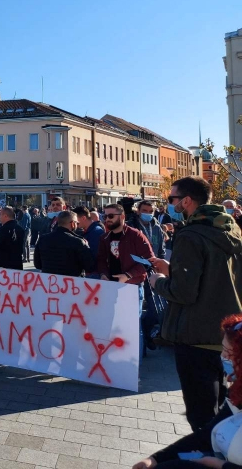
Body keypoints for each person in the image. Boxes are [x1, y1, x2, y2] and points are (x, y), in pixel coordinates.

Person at [148, 177, 242, 431]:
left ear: (187, 201)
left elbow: (183, 292)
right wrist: (173, 269)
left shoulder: (190, 235)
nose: (170, 203)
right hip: (228, 333)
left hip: (196, 333)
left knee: (201, 415)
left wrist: (159, 282)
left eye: (172, 198)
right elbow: (217, 276)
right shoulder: (230, 229)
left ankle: (206, 451)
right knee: (223, 410)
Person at [132, 314, 242, 469]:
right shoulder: (237, 392)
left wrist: (220, 465)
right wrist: (155, 459)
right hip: (216, 457)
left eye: (228, 352)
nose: (222, 356)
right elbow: (206, 434)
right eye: (222, 350)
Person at [96, 203, 154, 285]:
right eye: (105, 216)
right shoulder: (104, 238)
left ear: (122, 217)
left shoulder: (136, 235)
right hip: (111, 283)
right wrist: (103, 274)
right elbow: (101, 259)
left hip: (133, 284)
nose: (107, 219)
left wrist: (128, 275)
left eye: (111, 216)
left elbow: (149, 260)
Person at [34, 211, 93, 277]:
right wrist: (87, 246)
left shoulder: (43, 239)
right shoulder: (78, 242)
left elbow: (37, 264)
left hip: (49, 280)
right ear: (72, 224)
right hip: (72, 280)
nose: (77, 225)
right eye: (77, 223)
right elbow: (89, 266)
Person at [74, 206, 104, 271]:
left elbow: (93, 257)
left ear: (83, 218)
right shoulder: (89, 231)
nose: (75, 223)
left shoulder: (96, 232)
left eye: (76, 221)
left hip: (94, 272)